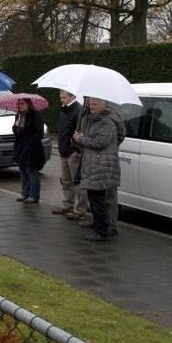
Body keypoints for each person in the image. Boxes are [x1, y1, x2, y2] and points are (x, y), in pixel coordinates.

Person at [73, 97, 121, 241]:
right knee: (94, 198)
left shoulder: (106, 121)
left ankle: (102, 231)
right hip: (94, 165)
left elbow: (101, 141)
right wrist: (81, 137)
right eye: (90, 104)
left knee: (99, 199)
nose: (91, 106)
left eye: (94, 104)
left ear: (103, 105)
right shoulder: (94, 119)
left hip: (101, 166)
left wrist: (82, 139)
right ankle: (98, 225)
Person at [52, 91, 87, 220]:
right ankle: (68, 205)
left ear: (72, 97)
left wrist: (75, 148)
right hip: (64, 151)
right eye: (61, 97)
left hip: (72, 152)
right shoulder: (64, 111)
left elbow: (80, 131)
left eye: (64, 97)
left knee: (77, 182)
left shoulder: (78, 111)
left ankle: (80, 210)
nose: (62, 100)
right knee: (66, 181)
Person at [13, 98, 47, 204]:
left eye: (22, 103)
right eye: (18, 104)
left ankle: (34, 195)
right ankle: (25, 193)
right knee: (22, 170)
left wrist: (30, 143)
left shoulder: (35, 115)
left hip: (32, 148)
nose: (20, 105)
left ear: (28, 104)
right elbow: (17, 132)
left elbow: (39, 133)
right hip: (21, 147)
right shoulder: (19, 115)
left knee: (31, 171)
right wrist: (15, 126)